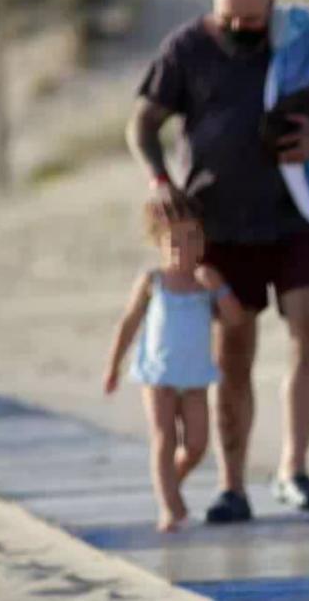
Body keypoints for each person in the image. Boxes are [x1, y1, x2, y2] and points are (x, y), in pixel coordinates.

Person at [126, 0, 309, 523]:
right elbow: (141, 124)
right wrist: (160, 181)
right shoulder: (187, 47)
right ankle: (232, 486)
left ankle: (294, 469)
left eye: (250, 24)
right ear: (215, 9)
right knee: (233, 354)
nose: (240, 33)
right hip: (218, 226)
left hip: (296, 213)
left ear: (270, 8)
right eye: (228, 22)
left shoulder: (302, 38)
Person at [102, 200, 247, 533]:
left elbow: (235, 319)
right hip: (159, 375)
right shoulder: (153, 281)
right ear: (160, 244)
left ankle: (170, 481)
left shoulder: (205, 283)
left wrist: (220, 288)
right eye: (176, 241)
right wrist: (113, 365)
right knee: (164, 437)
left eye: (194, 238)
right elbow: (129, 323)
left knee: (196, 444)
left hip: (195, 377)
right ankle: (169, 507)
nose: (186, 248)